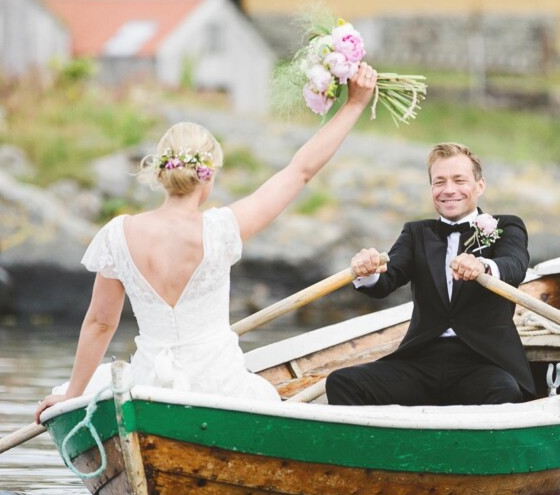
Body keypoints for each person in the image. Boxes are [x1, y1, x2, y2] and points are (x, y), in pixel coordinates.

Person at [34, 63, 378, 421]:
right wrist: (354, 104)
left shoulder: (118, 235)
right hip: (219, 387)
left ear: (162, 172)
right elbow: (300, 171)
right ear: (207, 174)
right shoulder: (221, 229)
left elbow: (100, 324)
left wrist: (73, 395)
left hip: (148, 384)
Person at [325, 142, 534, 407]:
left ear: (480, 185)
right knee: (341, 382)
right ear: (431, 188)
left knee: (503, 390)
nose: (449, 190)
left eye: (459, 180)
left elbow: (515, 264)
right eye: (439, 182)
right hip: (421, 362)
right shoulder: (416, 233)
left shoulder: (507, 225)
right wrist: (366, 271)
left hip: (483, 362)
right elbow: (386, 280)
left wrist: (483, 266)